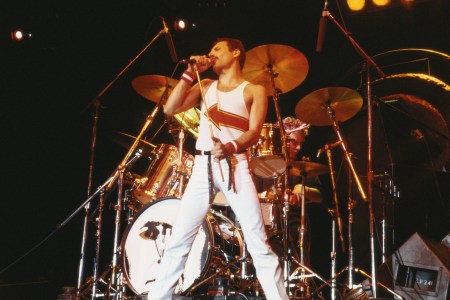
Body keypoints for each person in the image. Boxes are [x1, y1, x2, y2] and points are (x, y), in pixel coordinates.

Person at [147, 38, 289, 300]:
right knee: (179, 241)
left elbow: (255, 131)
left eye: (217, 49)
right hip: (203, 167)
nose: (210, 54)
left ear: (236, 53)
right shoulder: (206, 86)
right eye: (210, 49)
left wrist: (231, 146)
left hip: (235, 165)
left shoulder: (253, 90)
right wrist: (190, 74)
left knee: (258, 243)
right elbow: (170, 108)